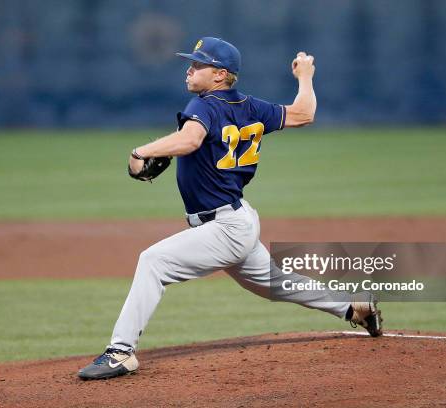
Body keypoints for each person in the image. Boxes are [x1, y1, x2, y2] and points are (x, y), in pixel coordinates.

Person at [78, 37, 382, 380]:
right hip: (238, 220)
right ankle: (354, 307)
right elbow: (305, 113)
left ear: (220, 75)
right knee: (275, 285)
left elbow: (191, 139)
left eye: (198, 65)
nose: (189, 70)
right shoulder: (251, 107)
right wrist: (306, 77)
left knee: (153, 262)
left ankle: (121, 352)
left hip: (224, 227)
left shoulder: (202, 106)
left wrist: (140, 152)